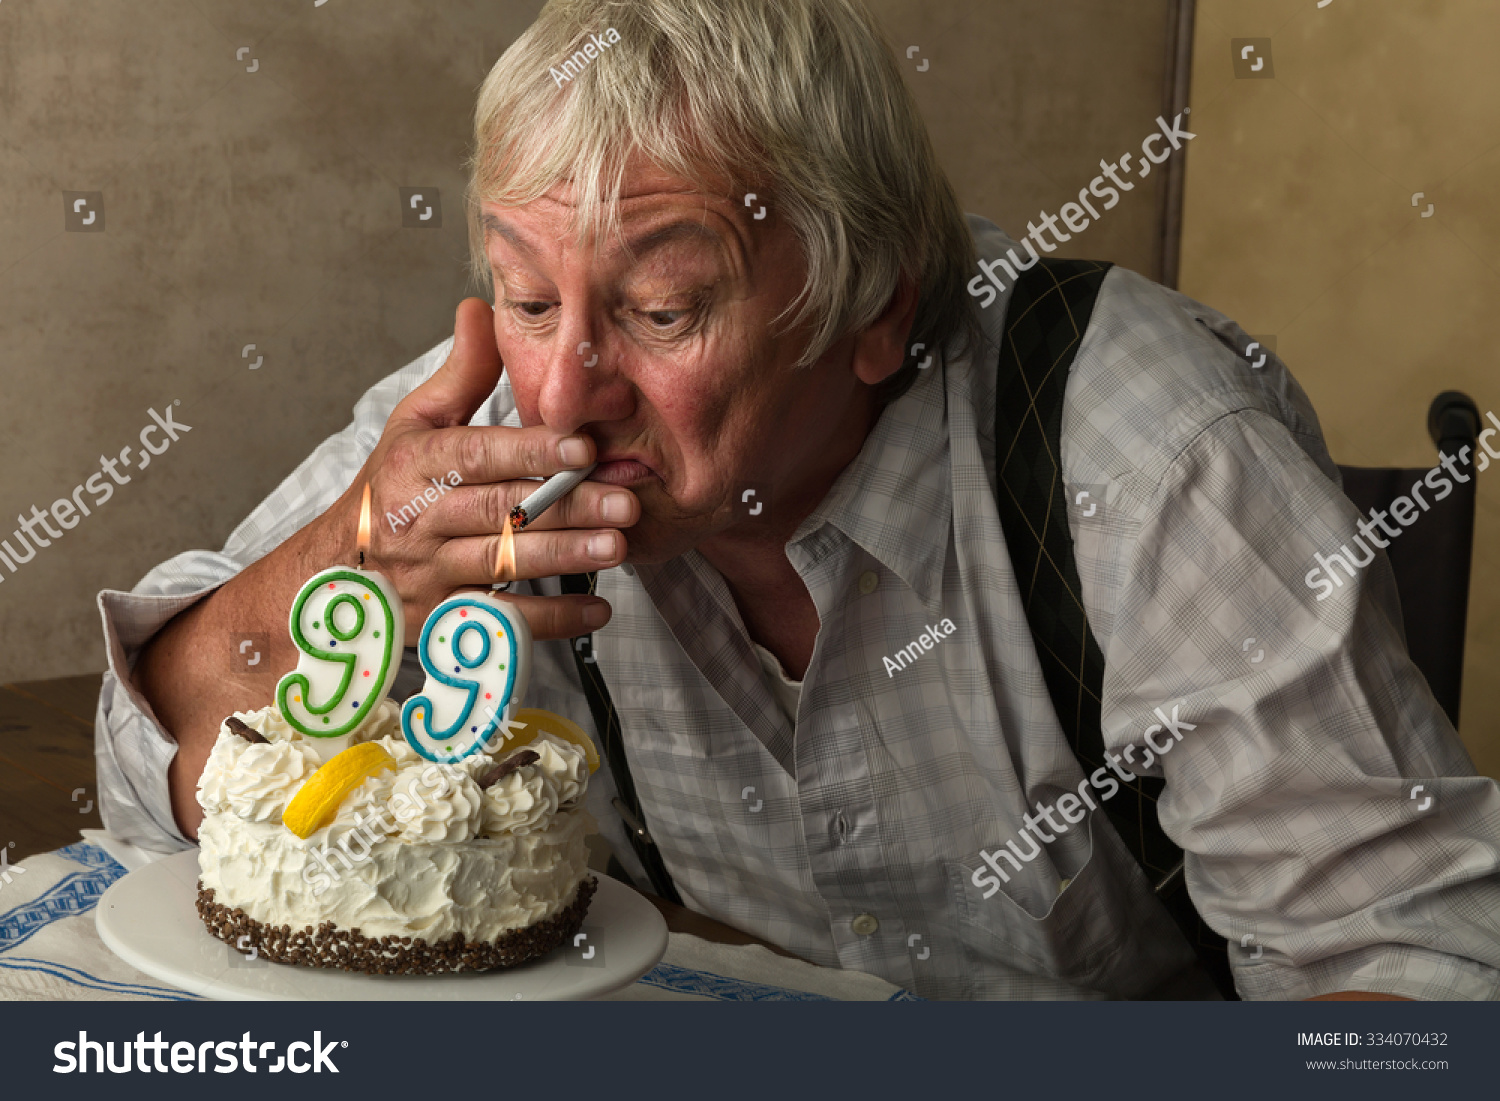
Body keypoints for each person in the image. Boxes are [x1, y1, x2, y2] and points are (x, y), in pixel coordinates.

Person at [94, 0, 1500, 1000]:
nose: (567, 389)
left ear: (874, 308)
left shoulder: (1148, 456)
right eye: (525, 295)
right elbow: (144, 789)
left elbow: (1411, 980)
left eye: (661, 306)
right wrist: (349, 562)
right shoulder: (499, 434)